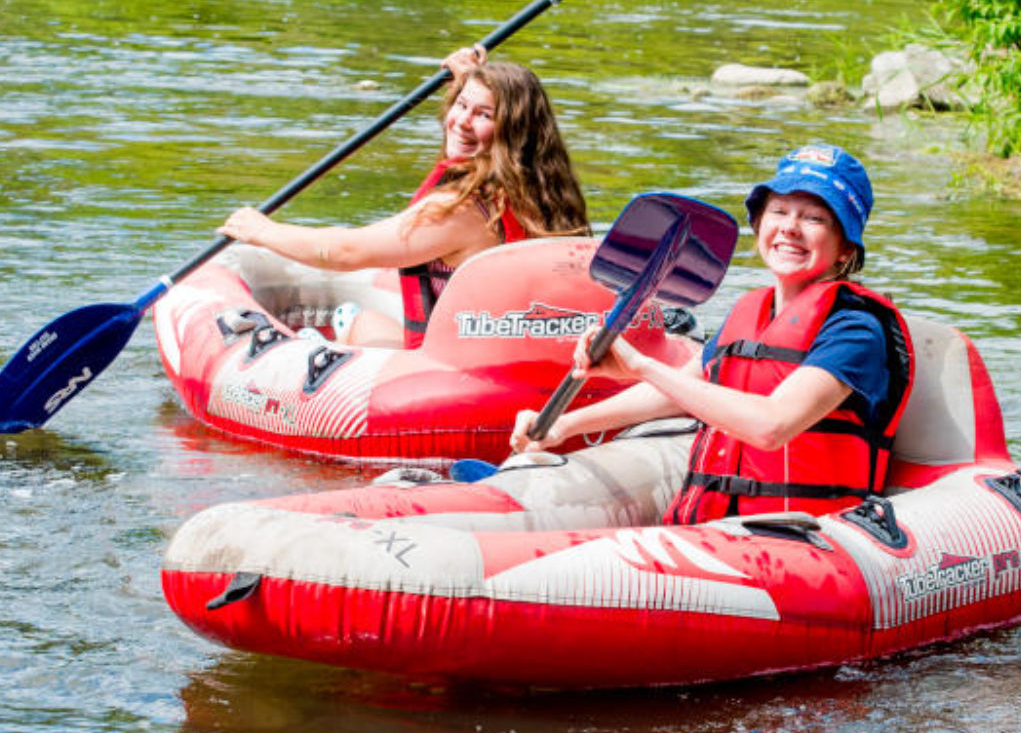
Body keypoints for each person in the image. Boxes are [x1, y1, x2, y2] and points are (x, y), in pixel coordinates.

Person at [510, 143, 915, 522]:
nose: (790, 228)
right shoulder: (749, 312)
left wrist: (643, 366)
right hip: (716, 528)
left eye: (814, 218)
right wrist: (566, 424)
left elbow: (771, 426)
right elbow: (676, 390)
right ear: (759, 224)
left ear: (846, 247)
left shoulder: (856, 328)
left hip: (801, 536)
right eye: (779, 211)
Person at [219, 46, 590, 348]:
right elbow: (469, 143)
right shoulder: (546, 193)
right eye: (461, 105)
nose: (460, 120)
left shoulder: (462, 209)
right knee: (361, 318)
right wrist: (467, 81)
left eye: (483, 114)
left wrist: (261, 230)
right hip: (510, 354)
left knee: (350, 319)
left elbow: (344, 253)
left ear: (511, 129)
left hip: (454, 369)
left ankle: (311, 344)